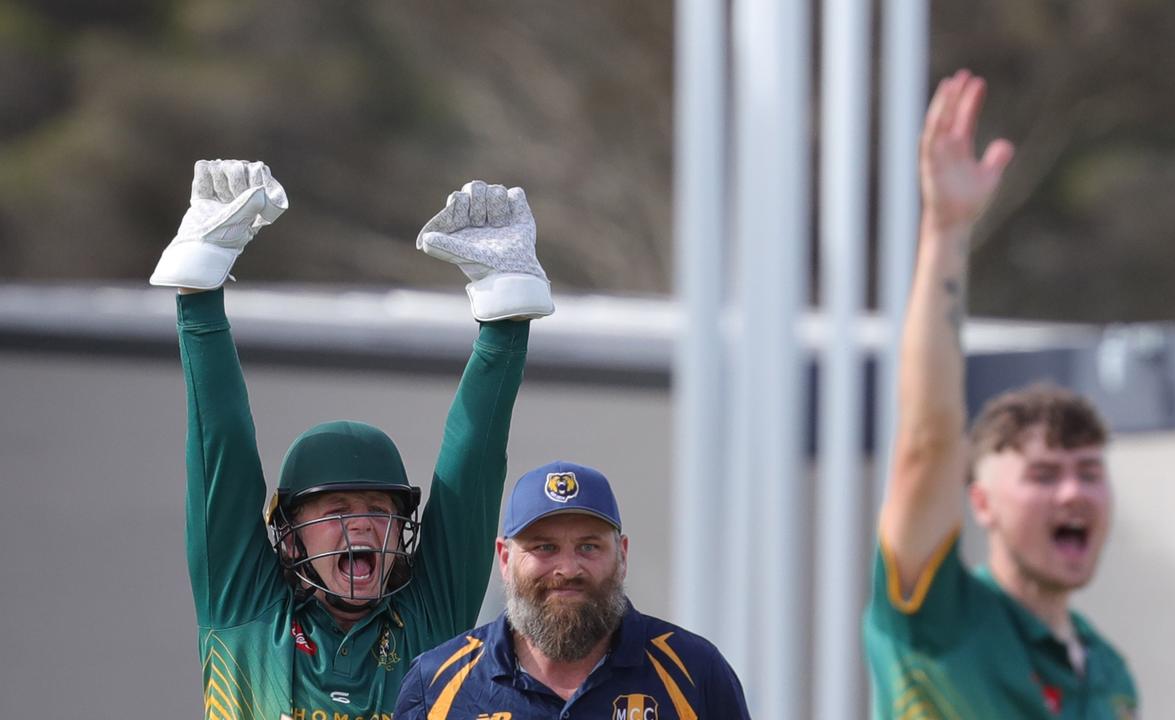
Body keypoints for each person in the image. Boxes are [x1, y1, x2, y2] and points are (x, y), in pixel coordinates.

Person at [150, 159, 555, 720]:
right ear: (290, 540)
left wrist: (505, 318)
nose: (362, 524)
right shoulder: (242, 606)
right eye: (337, 509)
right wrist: (198, 292)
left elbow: (475, 463)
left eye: (377, 509)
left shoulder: (432, 623)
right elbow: (219, 443)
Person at [862, 71, 1140, 718]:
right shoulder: (935, 620)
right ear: (979, 502)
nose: (1073, 492)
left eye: (1088, 472)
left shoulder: (1110, 672)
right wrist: (947, 230)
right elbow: (928, 442)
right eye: (1043, 475)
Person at [394, 460, 752, 718]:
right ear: (504, 558)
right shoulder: (437, 683)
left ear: (622, 555)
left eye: (589, 547)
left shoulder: (695, 671)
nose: (567, 569)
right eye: (544, 547)